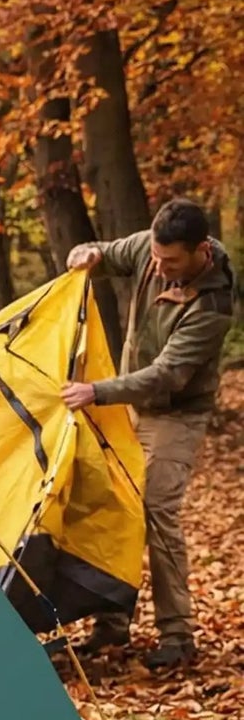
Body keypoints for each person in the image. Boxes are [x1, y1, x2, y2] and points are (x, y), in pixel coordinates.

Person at [62, 197, 235, 669]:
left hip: (177, 412)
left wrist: (97, 391)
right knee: (114, 502)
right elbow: (103, 252)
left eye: (171, 261)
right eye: (156, 258)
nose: (159, 268)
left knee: (157, 509)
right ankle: (110, 622)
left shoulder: (214, 302)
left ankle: (177, 634)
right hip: (128, 403)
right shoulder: (148, 250)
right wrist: (87, 255)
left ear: (200, 251)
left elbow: (167, 374)